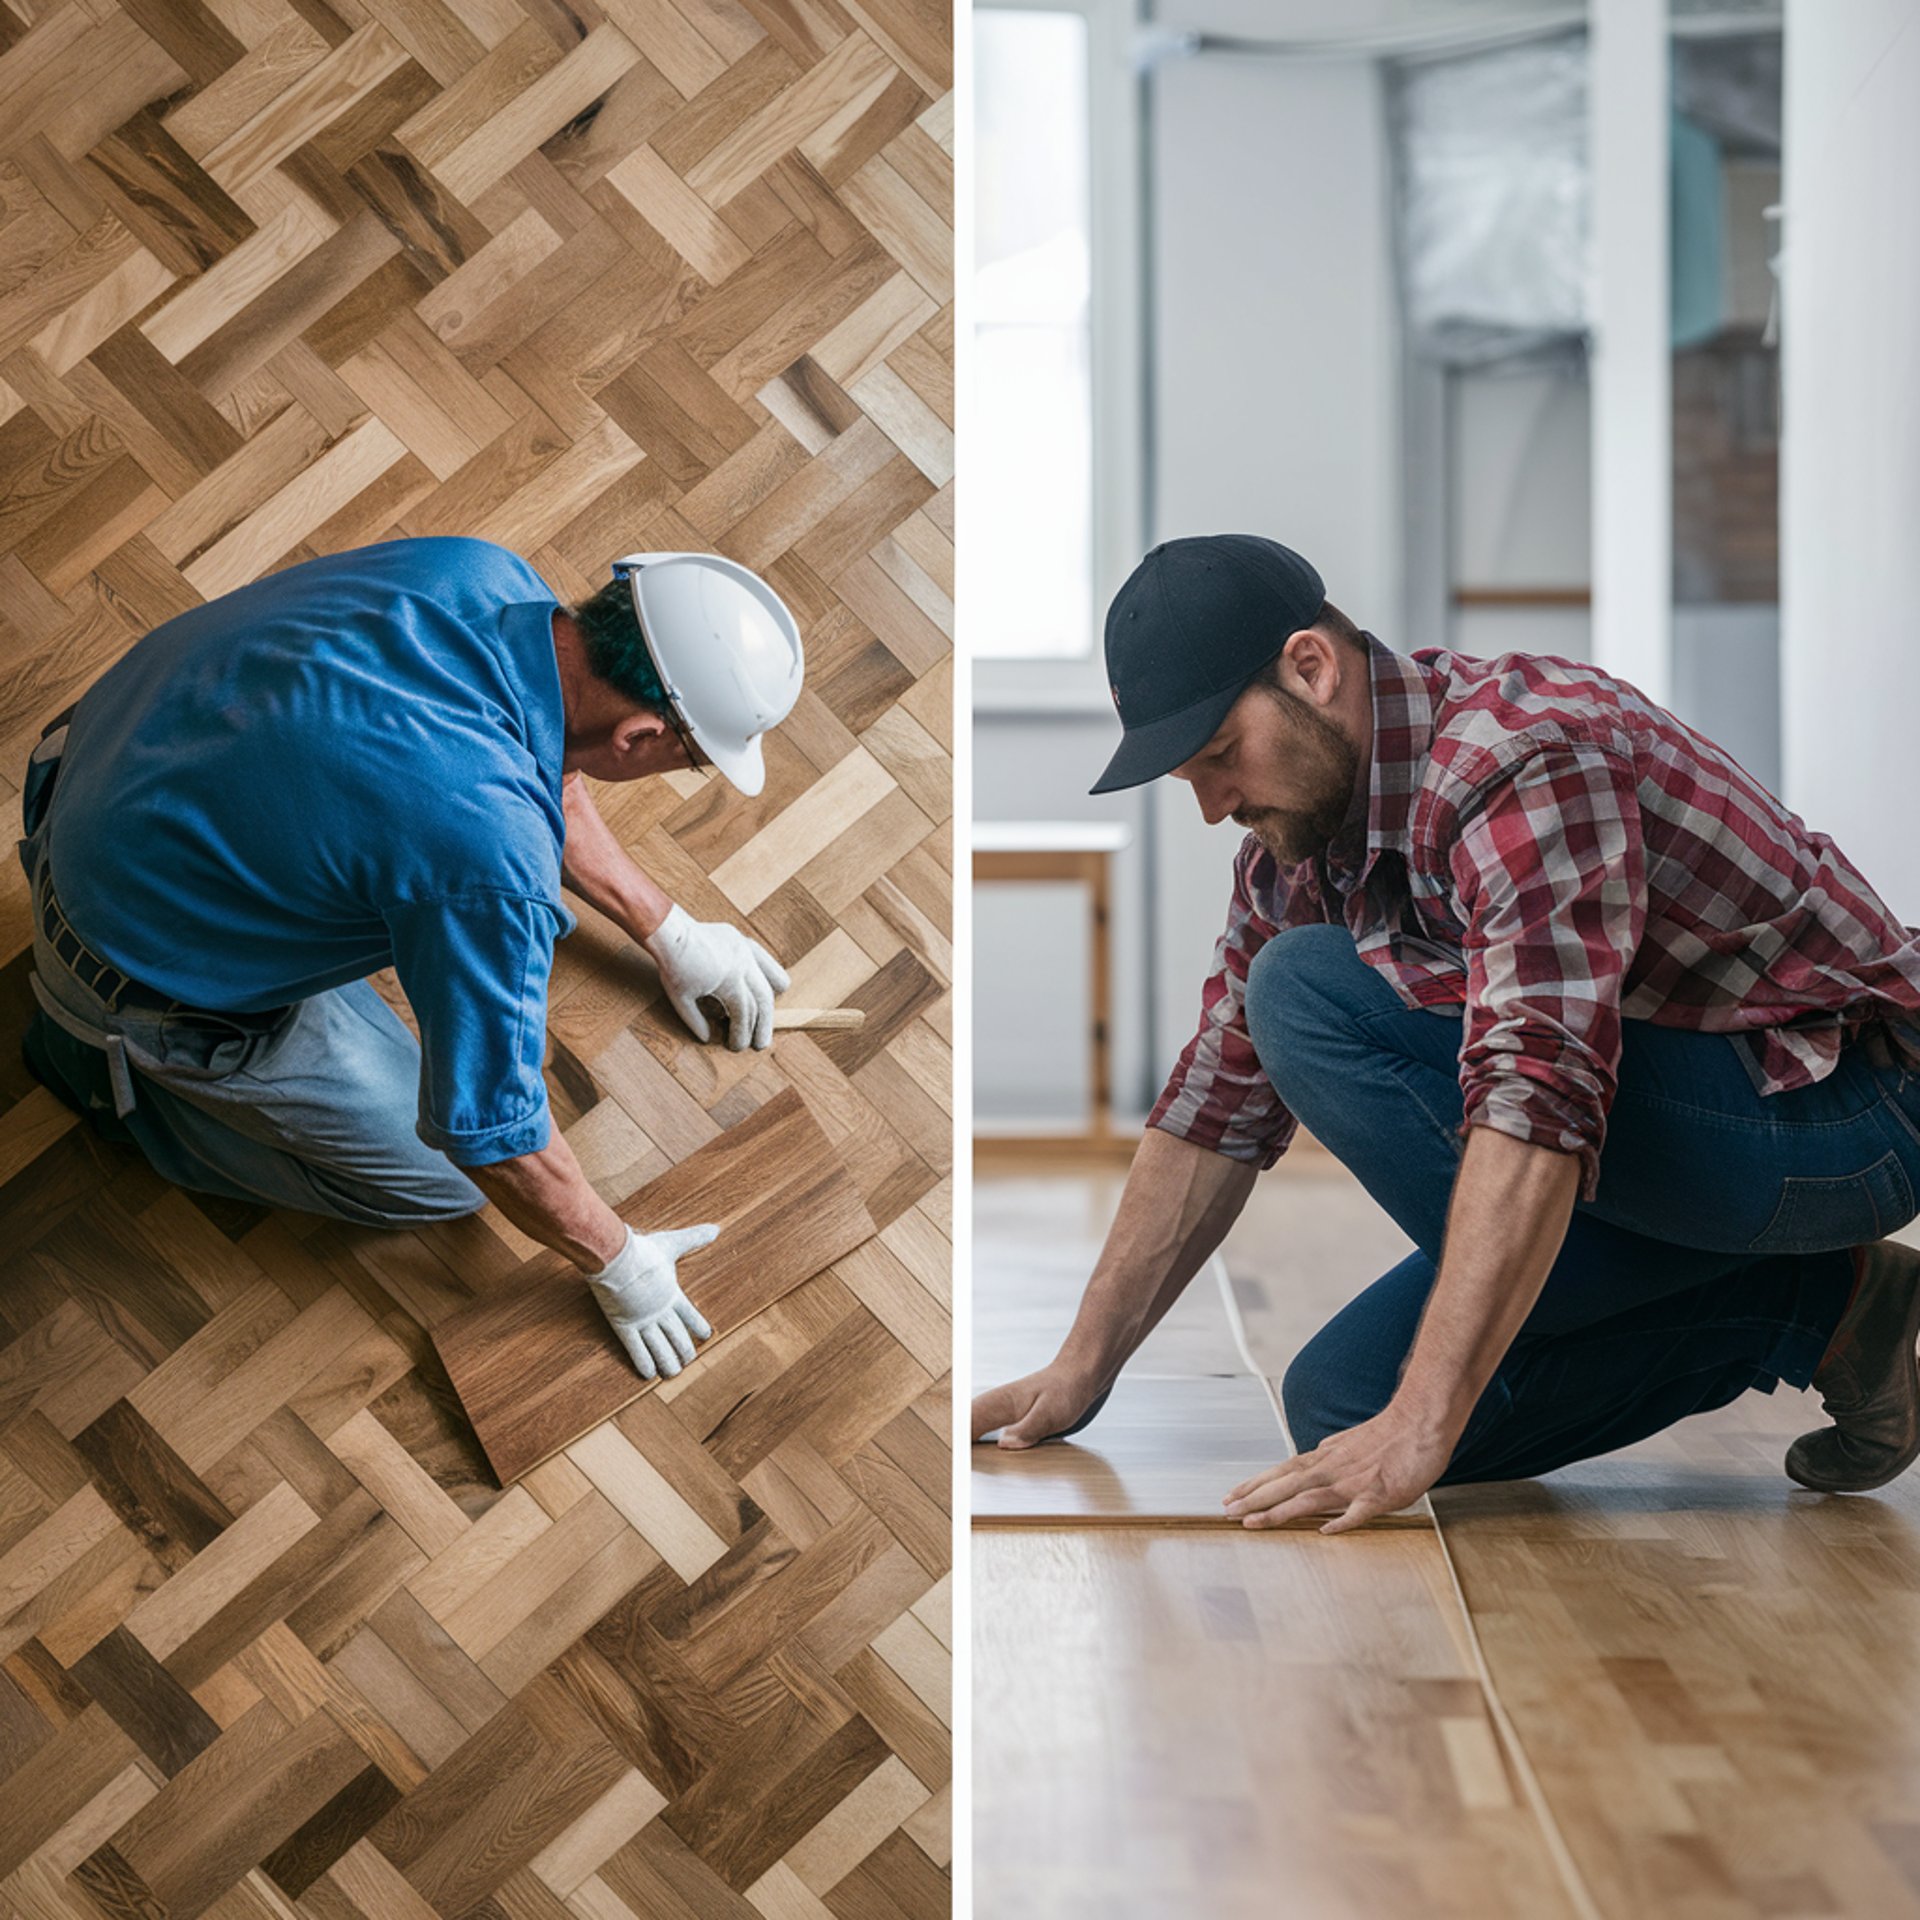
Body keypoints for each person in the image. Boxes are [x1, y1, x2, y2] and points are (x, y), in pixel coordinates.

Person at [970, 532, 1920, 1527]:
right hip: (1686, 1122)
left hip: (1839, 1112)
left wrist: (1429, 1419)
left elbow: (1539, 1085)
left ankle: (1784, 1265)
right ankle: (1828, 1306)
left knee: (1301, 989)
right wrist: (1082, 1367)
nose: (1214, 808)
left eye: (1219, 758)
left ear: (1312, 667)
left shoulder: (1520, 755)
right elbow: (1218, 1099)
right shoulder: (1295, 842)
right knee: (1342, 1408)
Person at [17, 535, 803, 1380]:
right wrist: (621, 1264)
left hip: (93, 773)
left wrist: (669, 929)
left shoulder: (483, 577)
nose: (676, 772)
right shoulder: (490, 859)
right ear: (642, 737)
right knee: (445, 1181)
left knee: (401, 866)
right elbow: (493, 1135)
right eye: (687, 760)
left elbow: (546, 759)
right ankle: (108, 1079)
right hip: (121, 964)